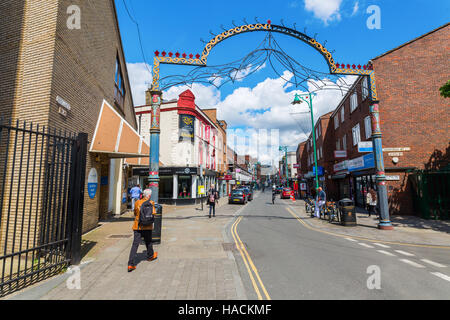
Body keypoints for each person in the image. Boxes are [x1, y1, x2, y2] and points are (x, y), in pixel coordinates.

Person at [127, 189, 157, 272]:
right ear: (149, 196)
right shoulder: (151, 203)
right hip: (147, 226)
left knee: (135, 244)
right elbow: (154, 213)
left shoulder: (137, 202)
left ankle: (131, 264)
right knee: (148, 241)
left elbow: (135, 213)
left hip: (138, 226)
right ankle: (150, 256)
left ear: (143, 195)